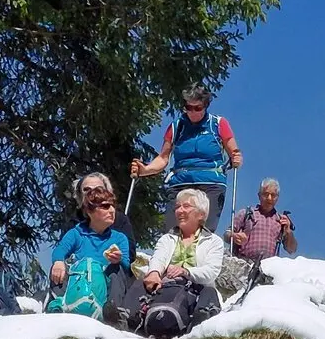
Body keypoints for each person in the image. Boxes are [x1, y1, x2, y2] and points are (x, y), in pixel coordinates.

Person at [130, 85, 242, 233]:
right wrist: (145, 170)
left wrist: (236, 158)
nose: (193, 112)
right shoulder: (177, 127)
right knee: (172, 231)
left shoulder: (218, 124)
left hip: (211, 182)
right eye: (189, 107)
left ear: (206, 106)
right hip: (181, 181)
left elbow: (234, 152)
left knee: (204, 232)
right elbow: (163, 158)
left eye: (198, 108)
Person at [121, 189, 224, 337]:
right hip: (165, 285)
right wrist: (154, 273)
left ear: (201, 214)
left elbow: (211, 271)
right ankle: (125, 318)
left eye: (186, 206)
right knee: (140, 283)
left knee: (209, 292)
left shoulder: (214, 242)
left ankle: (201, 323)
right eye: (177, 207)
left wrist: (186, 272)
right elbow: (158, 258)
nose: (179, 211)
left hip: (195, 288)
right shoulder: (167, 238)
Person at [50, 186, 133, 320]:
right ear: (89, 211)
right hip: (78, 282)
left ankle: (113, 311)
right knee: (59, 265)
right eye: (105, 206)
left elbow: (127, 266)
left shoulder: (120, 238)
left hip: (104, 286)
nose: (112, 210)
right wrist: (58, 261)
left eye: (113, 206)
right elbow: (60, 251)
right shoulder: (76, 233)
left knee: (117, 269)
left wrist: (119, 259)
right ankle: (56, 304)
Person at [225, 178, 297, 261]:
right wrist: (234, 236)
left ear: (277, 198)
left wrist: (288, 231)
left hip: (268, 268)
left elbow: (291, 249)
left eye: (273, 195)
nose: (269, 198)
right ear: (259, 196)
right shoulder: (246, 213)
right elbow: (226, 234)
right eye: (266, 194)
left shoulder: (281, 221)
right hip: (244, 264)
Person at [75, 172, 137, 263]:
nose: (93, 193)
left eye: (98, 189)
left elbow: (130, 254)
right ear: (80, 195)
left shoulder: (120, 220)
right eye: (86, 190)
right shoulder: (75, 221)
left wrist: (117, 257)